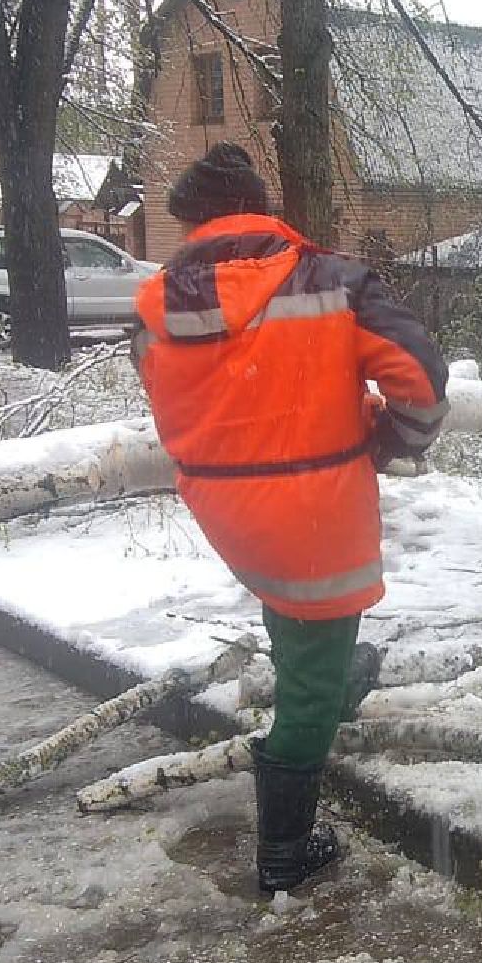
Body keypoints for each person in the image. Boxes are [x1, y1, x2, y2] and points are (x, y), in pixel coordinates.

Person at [131, 142, 448, 894]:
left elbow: (196, 398)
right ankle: (285, 848)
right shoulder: (331, 281)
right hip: (316, 506)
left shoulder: (155, 307)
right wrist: (389, 438)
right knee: (312, 658)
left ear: (194, 224)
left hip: (228, 509)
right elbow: (423, 381)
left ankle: (336, 679)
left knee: (294, 609)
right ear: (259, 207)